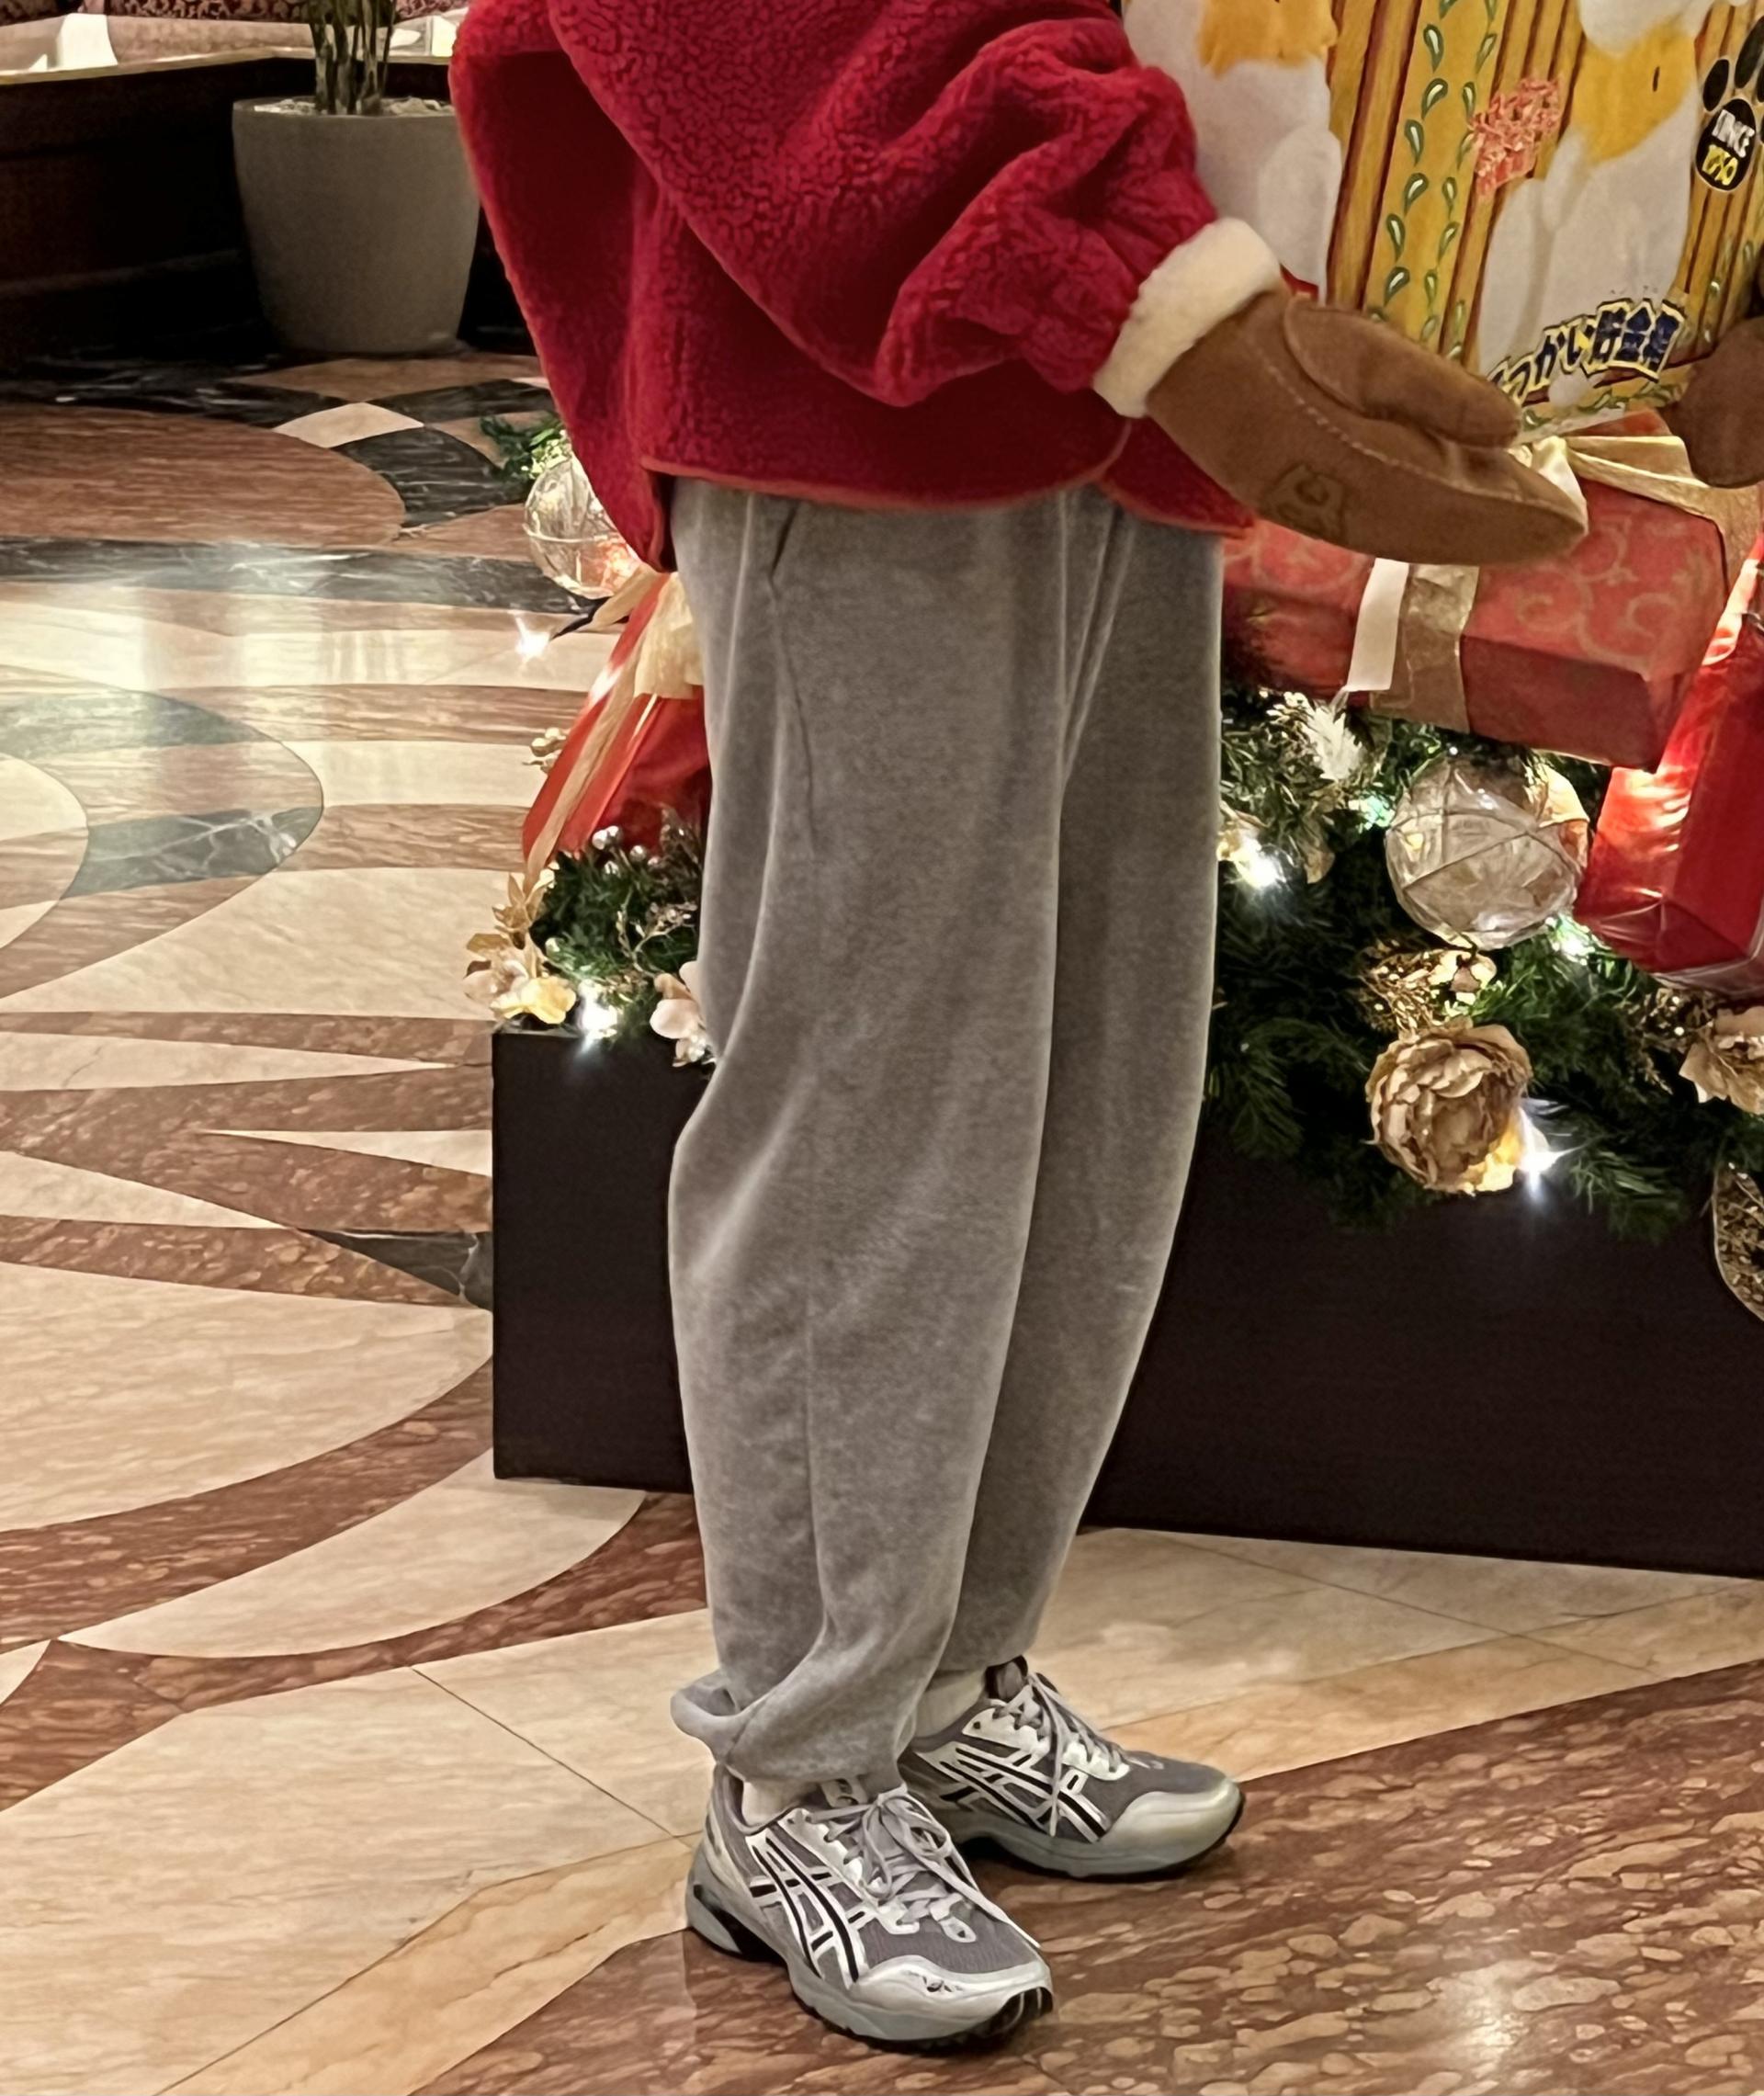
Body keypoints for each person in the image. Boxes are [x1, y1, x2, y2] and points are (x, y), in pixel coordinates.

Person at [456, 0, 1584, 2051]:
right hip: (855, 361)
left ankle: (947, 1683)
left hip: (1130, 376)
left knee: (1092, 1064)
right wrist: (1111, 259)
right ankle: (801, 1769)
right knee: (871, 1089)